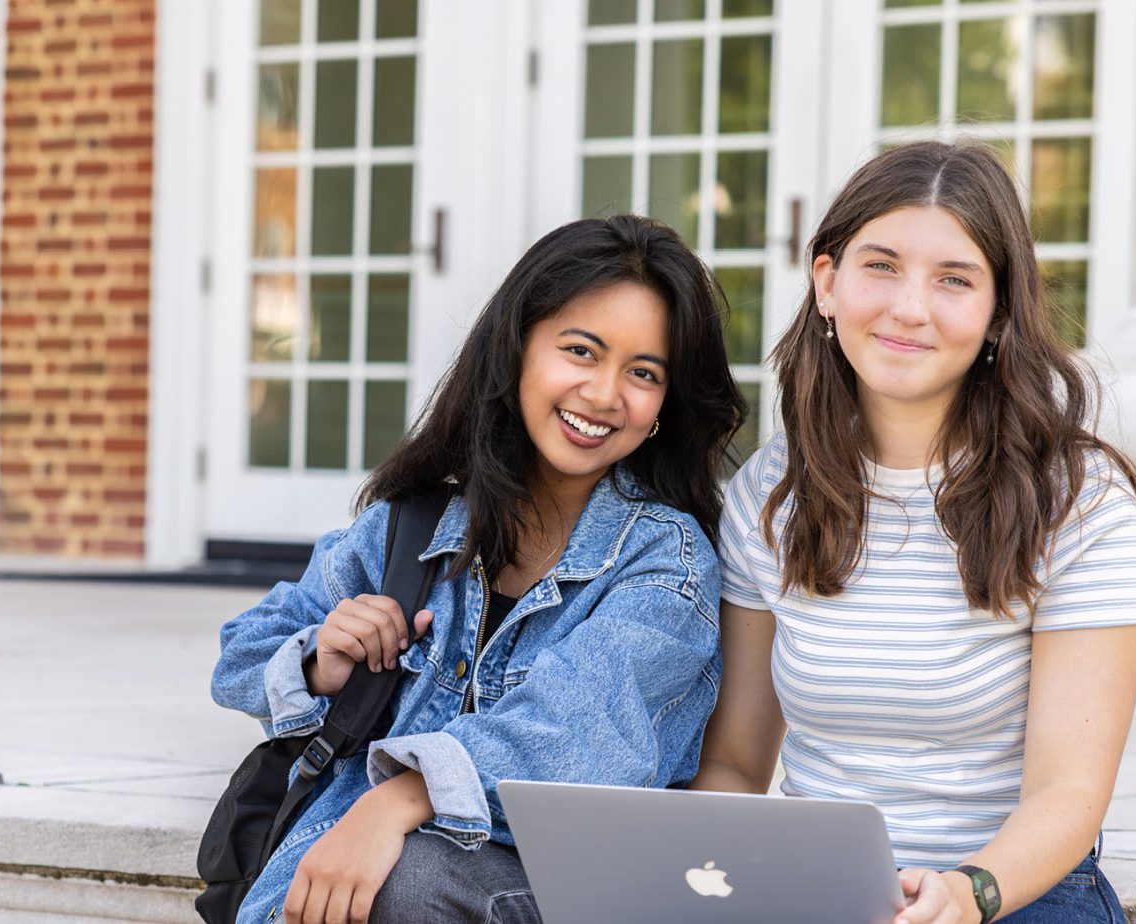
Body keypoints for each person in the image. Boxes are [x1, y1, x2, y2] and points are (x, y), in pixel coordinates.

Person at [211, 214, 748, 924]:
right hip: (365, 864)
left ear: (663, 409)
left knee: (412, 877)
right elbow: (241, 655)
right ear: (518, 346)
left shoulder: (667, 560)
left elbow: (577, 734)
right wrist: (320, 660)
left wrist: (395, 803)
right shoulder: (414, 528)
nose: (604, 393)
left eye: (643, 373)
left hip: (570, 883)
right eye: (582, 351)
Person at [691, 141, 1136, 924]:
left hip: (1012, 893)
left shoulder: (1076, 500)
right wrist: (699, 874)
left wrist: (965, 893)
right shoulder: (768, 495)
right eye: (881, 266)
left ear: (998, 314)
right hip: (817, 890)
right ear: (827, 282)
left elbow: (1069, 790)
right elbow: (737, 764)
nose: (910, 308)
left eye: (953, 280)